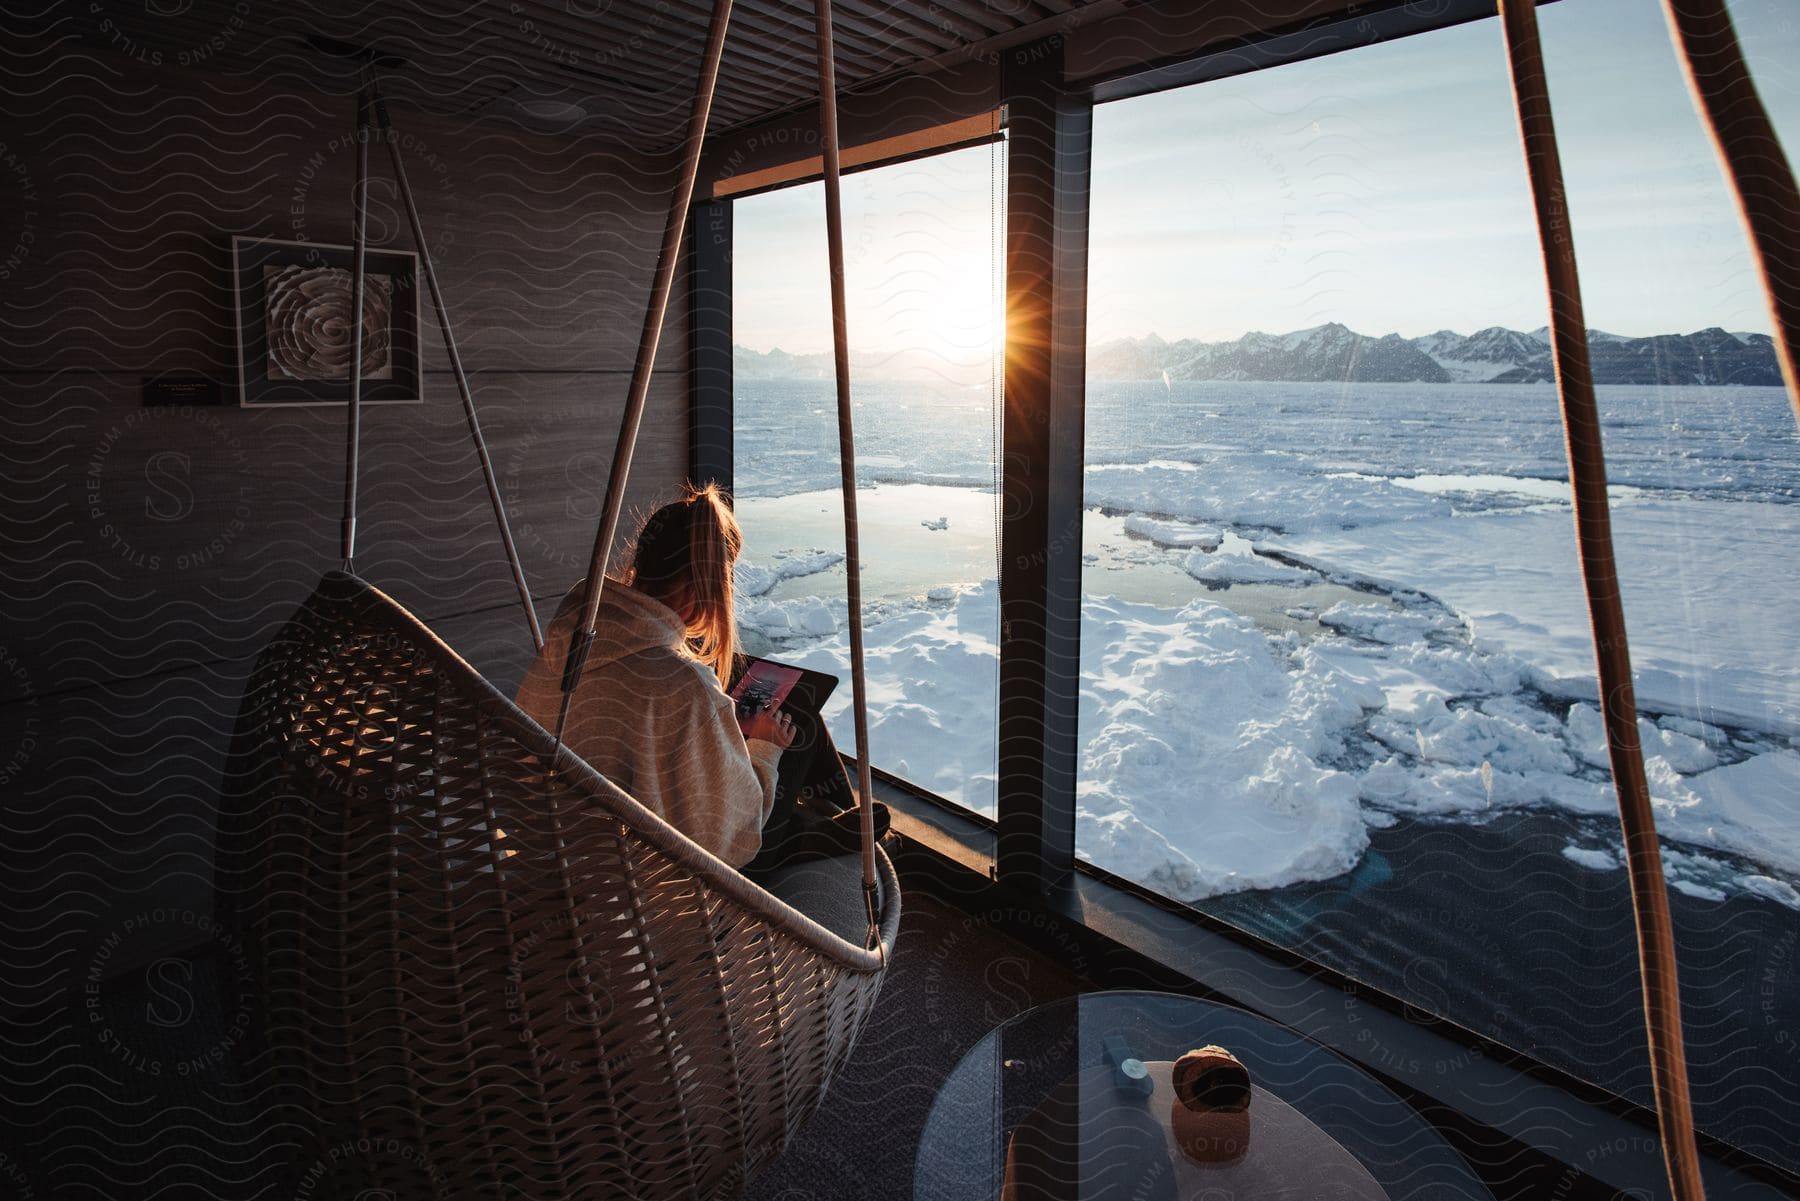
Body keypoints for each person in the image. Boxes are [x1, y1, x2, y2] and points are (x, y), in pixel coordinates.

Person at [514, 483, 881, 870]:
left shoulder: (575, 635)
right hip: (642, 884)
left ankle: (821, 827)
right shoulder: (681, 685)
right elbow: (726, 834)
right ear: (703, 587)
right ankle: (816, 835)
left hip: (554, 847)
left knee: (775, 718)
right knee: (797, 720)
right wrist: (764, 746)